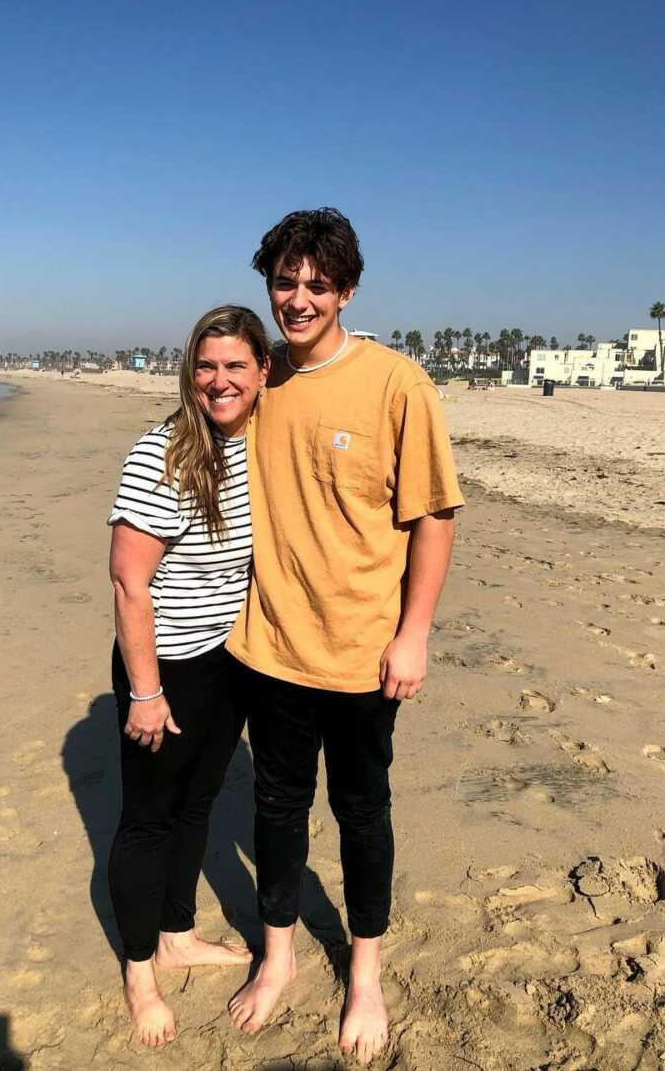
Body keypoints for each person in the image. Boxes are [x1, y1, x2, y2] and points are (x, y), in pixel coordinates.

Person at [226, 209, 465, 1064]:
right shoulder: (262, 381)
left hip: (365, 653)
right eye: (284, 282)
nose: (297, 298)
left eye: (315, 285)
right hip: (270, 646)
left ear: (346, 290)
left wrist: (415, 635)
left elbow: (433, 516)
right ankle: (280, 954)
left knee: (362, 810)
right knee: (277, 807)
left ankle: (365, 971)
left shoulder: (399, 384)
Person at [107, 304, 270, 1048]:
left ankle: (176, 932)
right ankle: (141, 971)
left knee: (197, 803)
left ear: (263, 372)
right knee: (147, 817)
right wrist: (144, 690)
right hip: (164, 663)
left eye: (235, 365)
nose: (219, 380)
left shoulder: (262, 445)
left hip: (225, 660)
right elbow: (128, 580)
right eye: (206, 366)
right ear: (188, 372)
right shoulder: (164, 452)